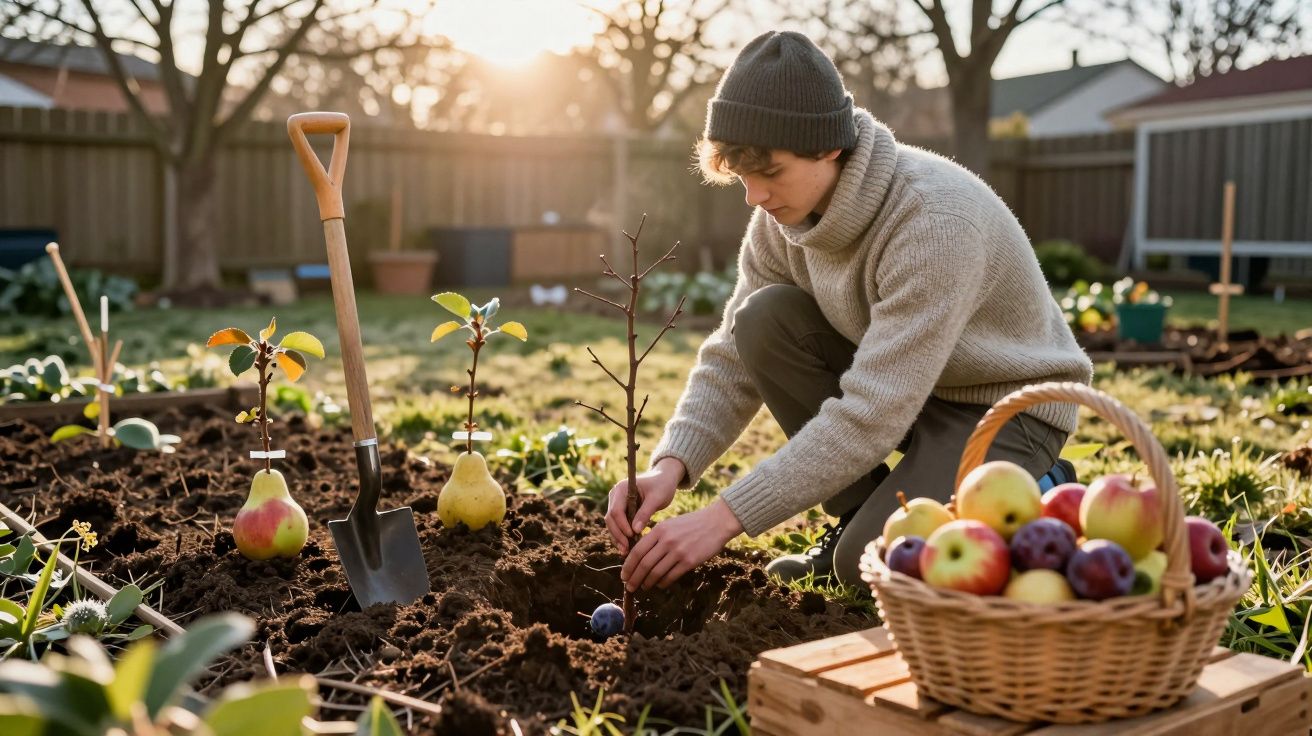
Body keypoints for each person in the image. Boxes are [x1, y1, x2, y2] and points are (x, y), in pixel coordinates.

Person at [605, 30, 1093, 593]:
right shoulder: (781, 221)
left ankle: (1040, 481)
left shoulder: (932, 223)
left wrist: (724, 519)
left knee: (876, 566)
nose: (753, 197)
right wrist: (672, 465)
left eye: (770, 173)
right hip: (913, 393)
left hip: (1004, 407)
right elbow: (733, 358)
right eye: (742, 177)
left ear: (829, 146)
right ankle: (857, 513)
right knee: (762, 319)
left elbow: (871, 411)